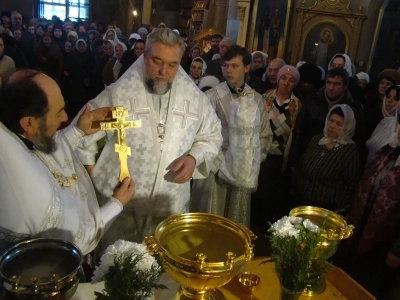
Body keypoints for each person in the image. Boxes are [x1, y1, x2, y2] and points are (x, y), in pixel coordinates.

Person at [73, 28, 222, 249]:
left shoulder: (195, 100)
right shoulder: (118, 95)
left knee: (165, 274)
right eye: (157, 61)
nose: (164, 71)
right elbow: (82, 133)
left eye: (172, 65)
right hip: (124, 206)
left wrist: (193, 158)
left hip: (170, 204)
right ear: (143, 57)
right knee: (121, 271)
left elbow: (212, 135)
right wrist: (95, 178)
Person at [0, 70, 135, 255]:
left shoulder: (14, 136)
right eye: (58, 113)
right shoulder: (24, 186)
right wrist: (117, 203)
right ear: (29, 123)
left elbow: (42, 153)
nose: (65, 118)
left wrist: (78, 131)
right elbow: (75, 239)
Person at [191, 45, 270, 227]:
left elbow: (264, 135)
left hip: (241, 170)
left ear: (247, 67)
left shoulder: (257, 99)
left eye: (234, 66)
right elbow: (199, 132)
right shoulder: (211, 96)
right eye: (225, 66)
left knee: (233, 224)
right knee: (209, 220)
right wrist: (218, 160)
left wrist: (250, 160)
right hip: (215, 169)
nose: (229, 70)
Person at [252, 65, 301, 229]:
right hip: (261, 151)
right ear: (278, 79)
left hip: (280, 156)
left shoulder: (296, 105)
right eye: (284, 78)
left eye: (291, 80)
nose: (286, 83)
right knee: (257, 190)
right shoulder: (265, 98)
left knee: (272, 194)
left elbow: (294, 133)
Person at [289, 68, 365, 169]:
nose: (331, 87)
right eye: (329, 83)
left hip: (335, 160)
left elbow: (356, 140)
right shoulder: (312, 100)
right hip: (308, 154)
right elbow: (299, 132)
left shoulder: (354, 109)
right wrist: (294, 161)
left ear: (345, 86)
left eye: (337, 84)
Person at [292, 104, 360, 213]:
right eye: (331, 120)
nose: (332, 126)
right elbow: (301, 164)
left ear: (347, 127)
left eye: (339, 124)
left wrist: (339, 210)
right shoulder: (317, 139)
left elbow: (349, 186)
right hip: (300, 200)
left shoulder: (350, 152)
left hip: (324, 208)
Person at [366, 85, 400, 163]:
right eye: (388, 96)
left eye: (396, 99)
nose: (390, 101)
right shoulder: (377, 117)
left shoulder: (396, 125)